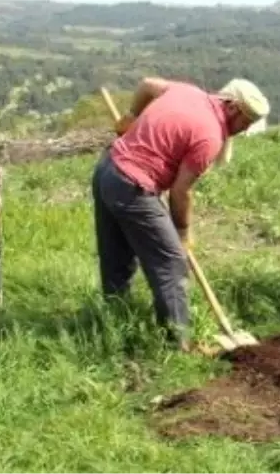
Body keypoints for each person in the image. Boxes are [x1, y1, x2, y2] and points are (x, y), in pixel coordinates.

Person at [90, 76, 270, 349]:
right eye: (246, 122)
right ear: (232, 108)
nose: (245, 130)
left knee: (116, 258)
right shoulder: (209, 136)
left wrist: (131, 115)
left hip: (108, 170)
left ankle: (114, 325)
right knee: (171, 264)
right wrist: (183, 233)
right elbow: (180, 192)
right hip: (132, 187)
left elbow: (147, 84)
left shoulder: (187, 91)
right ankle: (177, 346)